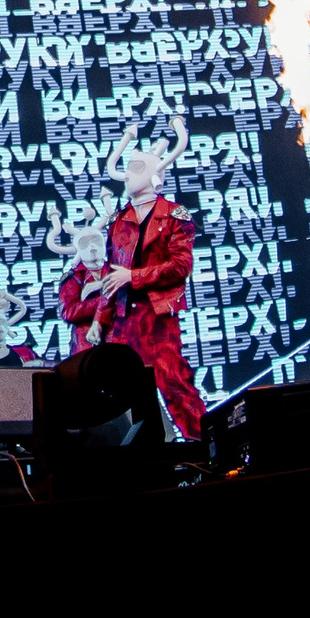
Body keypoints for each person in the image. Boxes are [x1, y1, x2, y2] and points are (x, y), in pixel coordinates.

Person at [85, 120, 205, 439]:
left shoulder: (174, 216)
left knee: (174, 384)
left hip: (157, 320)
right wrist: (99, 319)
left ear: (154, 174)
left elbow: (180, 266)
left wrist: (133, 276)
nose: (128, 174)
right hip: (123, 322)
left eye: (136, 167)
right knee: (120, 396)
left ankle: (204, 445)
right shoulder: (120, 219)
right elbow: (111, 275)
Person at [48, 191, 115, 356]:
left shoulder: (116, 270)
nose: (92, 247)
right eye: (86, 243)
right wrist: (102, 301)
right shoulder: (74, 278)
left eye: (96, 241)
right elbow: (69, 312)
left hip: (118, 341)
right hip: (86, 347)